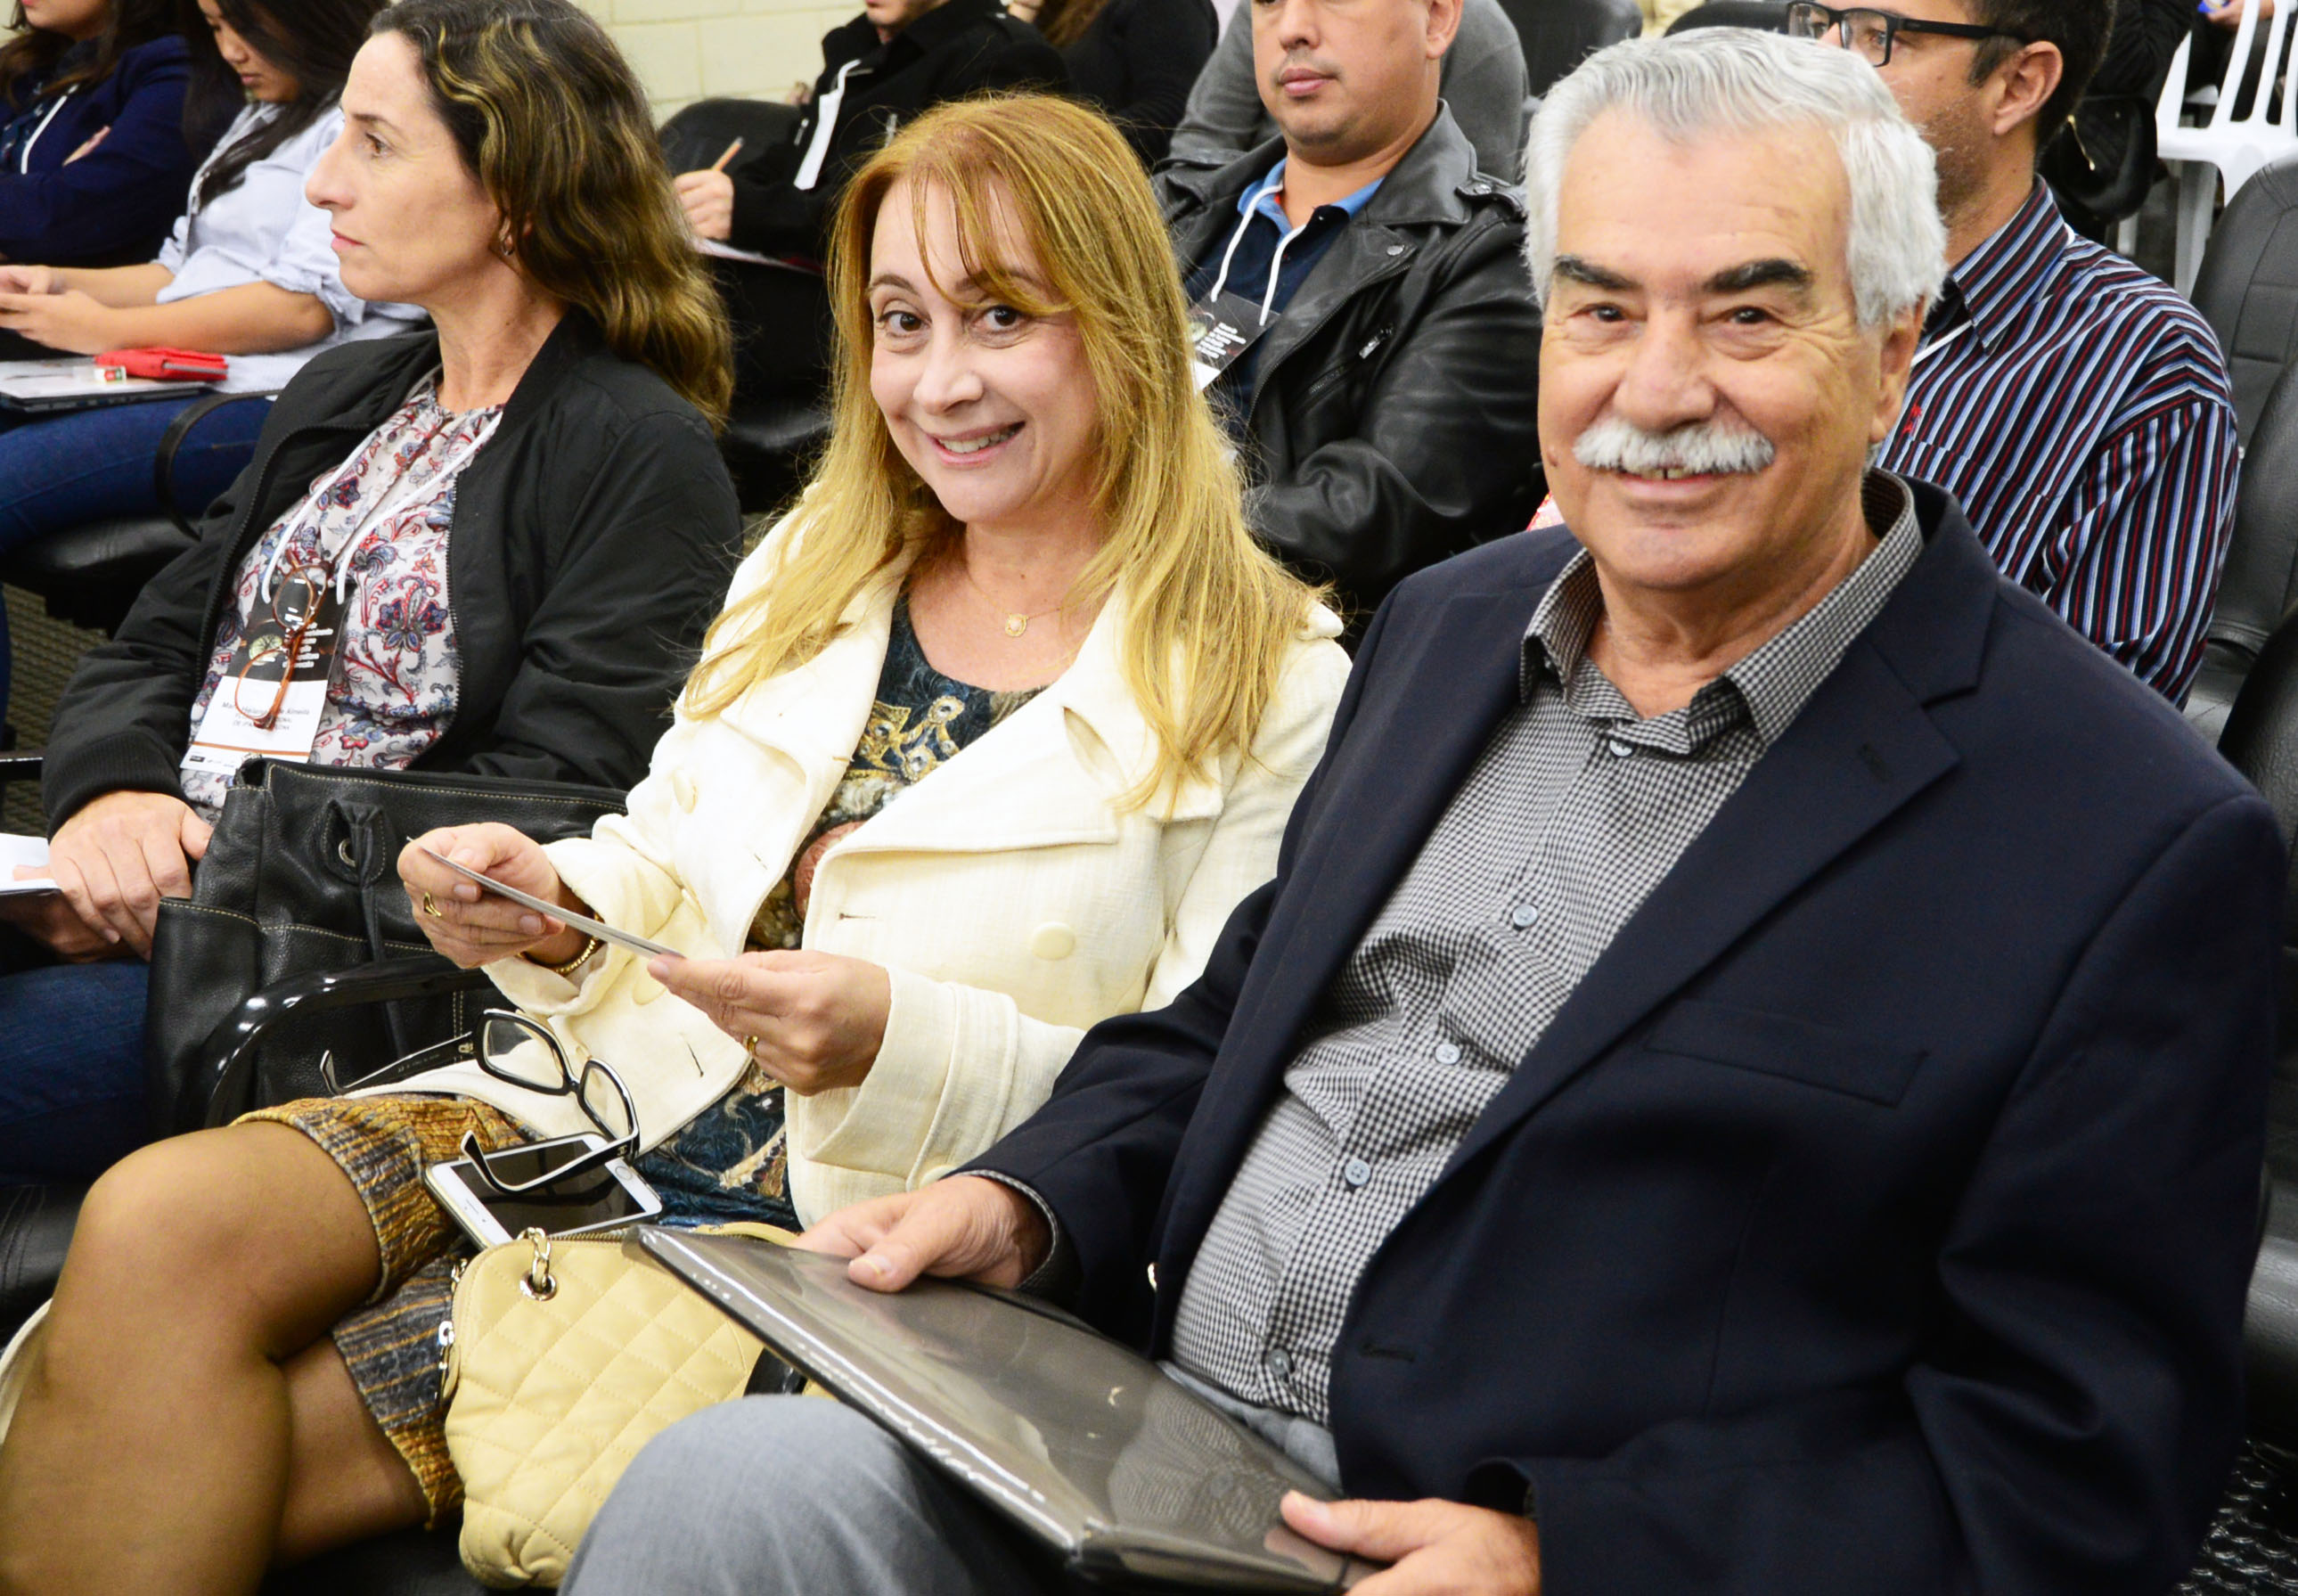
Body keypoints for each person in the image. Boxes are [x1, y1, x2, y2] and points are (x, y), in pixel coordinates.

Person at [567, 30, 2281, 1596]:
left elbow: (2071, 1474)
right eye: (1597, 310)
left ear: (1892, 351)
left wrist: (1565, 1560)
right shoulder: (1449, 631)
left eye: (1746, 317)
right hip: (1121, 1461)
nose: (1654, 389)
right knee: (727, 1493)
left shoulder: (2118, 844)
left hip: (1517, 1557)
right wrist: (1032, 1200)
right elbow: (1227, 1029)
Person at [0, 92, 1348, 1590]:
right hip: (589, 1099)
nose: (939, 380)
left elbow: (1195, 1088)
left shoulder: (1266, 675)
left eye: (999, 317)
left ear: (1121, 328)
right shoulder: (821, 561)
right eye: (899, 323)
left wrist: (894, 1039)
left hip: (819, 1213)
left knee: (200, 1448)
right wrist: (556, 899)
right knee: (157, 1217)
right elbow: (664, 847)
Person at [0, 0, 741, 1193]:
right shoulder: (348, 395)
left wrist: (195, 884)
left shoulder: (634, 451)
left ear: (518, 191)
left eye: (375, 144)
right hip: (149, 900)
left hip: (327, 981)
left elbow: (558, 801)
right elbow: (154, 646)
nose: (323, 184)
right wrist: (110, 800)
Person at [1790, 0, 2241, 705]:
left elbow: (2093, 724)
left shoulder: (2137, 363)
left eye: (1879, 36)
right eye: (1819, 24)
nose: (1821, 63)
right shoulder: (1750, 287)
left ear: (2018, 85)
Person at [0, 0, 429, 715]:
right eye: (216, 27)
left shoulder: (354, 129)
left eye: (243, 25)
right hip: (186, 377)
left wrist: (109, 330)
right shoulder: (265, 114)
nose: (229, 50)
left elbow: (303, 306)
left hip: (273, 403)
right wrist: (56, 283)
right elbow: (178, 272)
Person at [1166, 0, 1542, 623]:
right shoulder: (1172, 211)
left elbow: (1366, 512)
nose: (1292, 27)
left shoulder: (1495, 258)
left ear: (1436, 19)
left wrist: (1112, 524)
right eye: (1268, 1)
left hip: (1277, 643)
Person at [672, 0, 1066, 403]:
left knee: (672, 325)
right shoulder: (856, 46)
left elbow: (935, 226)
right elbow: (799, 157)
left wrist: (753, 211)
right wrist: (727, 192)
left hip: (875, 314)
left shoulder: (998, 55)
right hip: (801, 292)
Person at [1166, 0, 1528, 180]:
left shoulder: (1483, 39)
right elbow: (1202, 143)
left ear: (1436, 17)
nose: (1291, 29)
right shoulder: (1276, 13)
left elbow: (1473, 206)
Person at [0, 0, 213, 267]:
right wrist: (43, 190)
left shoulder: (175, 71)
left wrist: (43, 204)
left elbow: (66, 217)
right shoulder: (25, 61)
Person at [1010, 0, 1217, 165]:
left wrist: (1056, 146)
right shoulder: (1065, 9)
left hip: (1109, 184)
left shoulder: (1168, 5)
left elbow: (1168, 112)